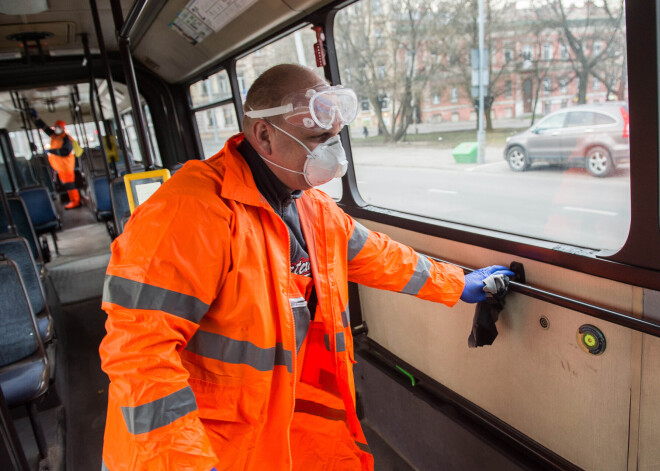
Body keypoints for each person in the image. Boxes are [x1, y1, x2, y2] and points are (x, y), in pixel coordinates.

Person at [99, 63, 513, 471]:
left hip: (284, 424)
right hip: (203, 445)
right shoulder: (189, 211)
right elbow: (139, 355)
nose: (332, 151)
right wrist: (184, 464)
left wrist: (455, 282)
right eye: (318, 138)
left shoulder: (308, 202)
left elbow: (377, 255)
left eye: (335, 137)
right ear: (264, 135)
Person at [31, 111, 81, 209]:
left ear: (63, 128)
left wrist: (50, 151)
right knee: (67, 185)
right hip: (61, 167)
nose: (57, 129)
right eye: (56, 127)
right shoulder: (55, 136)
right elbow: (45, 128)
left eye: (59, 127)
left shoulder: (66, 139)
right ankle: (73, 201)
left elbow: (65, 151)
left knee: (70, 185)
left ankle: (76, 201)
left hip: (67, 166)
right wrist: (36, 119)